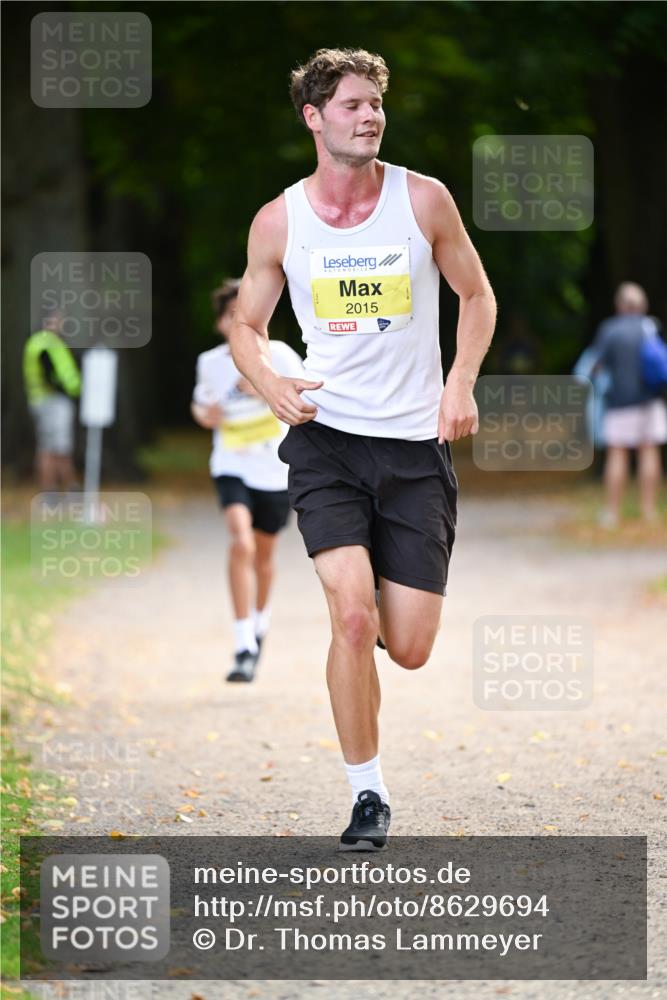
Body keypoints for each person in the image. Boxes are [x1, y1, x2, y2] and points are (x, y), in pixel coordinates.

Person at [228, 48, 496, 849]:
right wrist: (271, 384)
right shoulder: (280, 219)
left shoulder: (423, 200)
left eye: (375, 104)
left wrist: (460, 383)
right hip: (328, 441)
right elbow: (247, 324)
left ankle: (379, 608)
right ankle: (367, 795)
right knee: (350, 620)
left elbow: (475, 295)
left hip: (414, 446)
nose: (369, 116)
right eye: (351, 105)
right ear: (313, 118)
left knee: (406, 647)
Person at [192, 278, 305, 682]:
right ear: (222, 323)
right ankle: (242, 641)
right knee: (240, 540)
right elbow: (203, 405)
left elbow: (309, 403)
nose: (241, 318)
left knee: (263, 555)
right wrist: (205, 415)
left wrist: (266, 391)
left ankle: (259, 623)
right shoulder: (211, 362)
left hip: (274, 469)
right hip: (231, 464)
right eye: (231, 314)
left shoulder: (282, 357)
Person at [593, 281, 667, 528]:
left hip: (620, 402)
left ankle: (612, 513)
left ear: (619, 305)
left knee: (617, 453)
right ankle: (648, 511)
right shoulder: (651, 327)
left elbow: (596, 365)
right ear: (642, 305)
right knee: (649, 451)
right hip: (651, 400)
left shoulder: (610, 330)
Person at [23, 312, 81, 493]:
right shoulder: (46, 343)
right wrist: (64, 390)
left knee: (52, 444)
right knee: (56, 446)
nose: (61, 323)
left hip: (46, 400)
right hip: (52, 401)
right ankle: (61, 487)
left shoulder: (40, 342)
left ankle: (56, 487)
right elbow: (50, 374)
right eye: (58, 319)